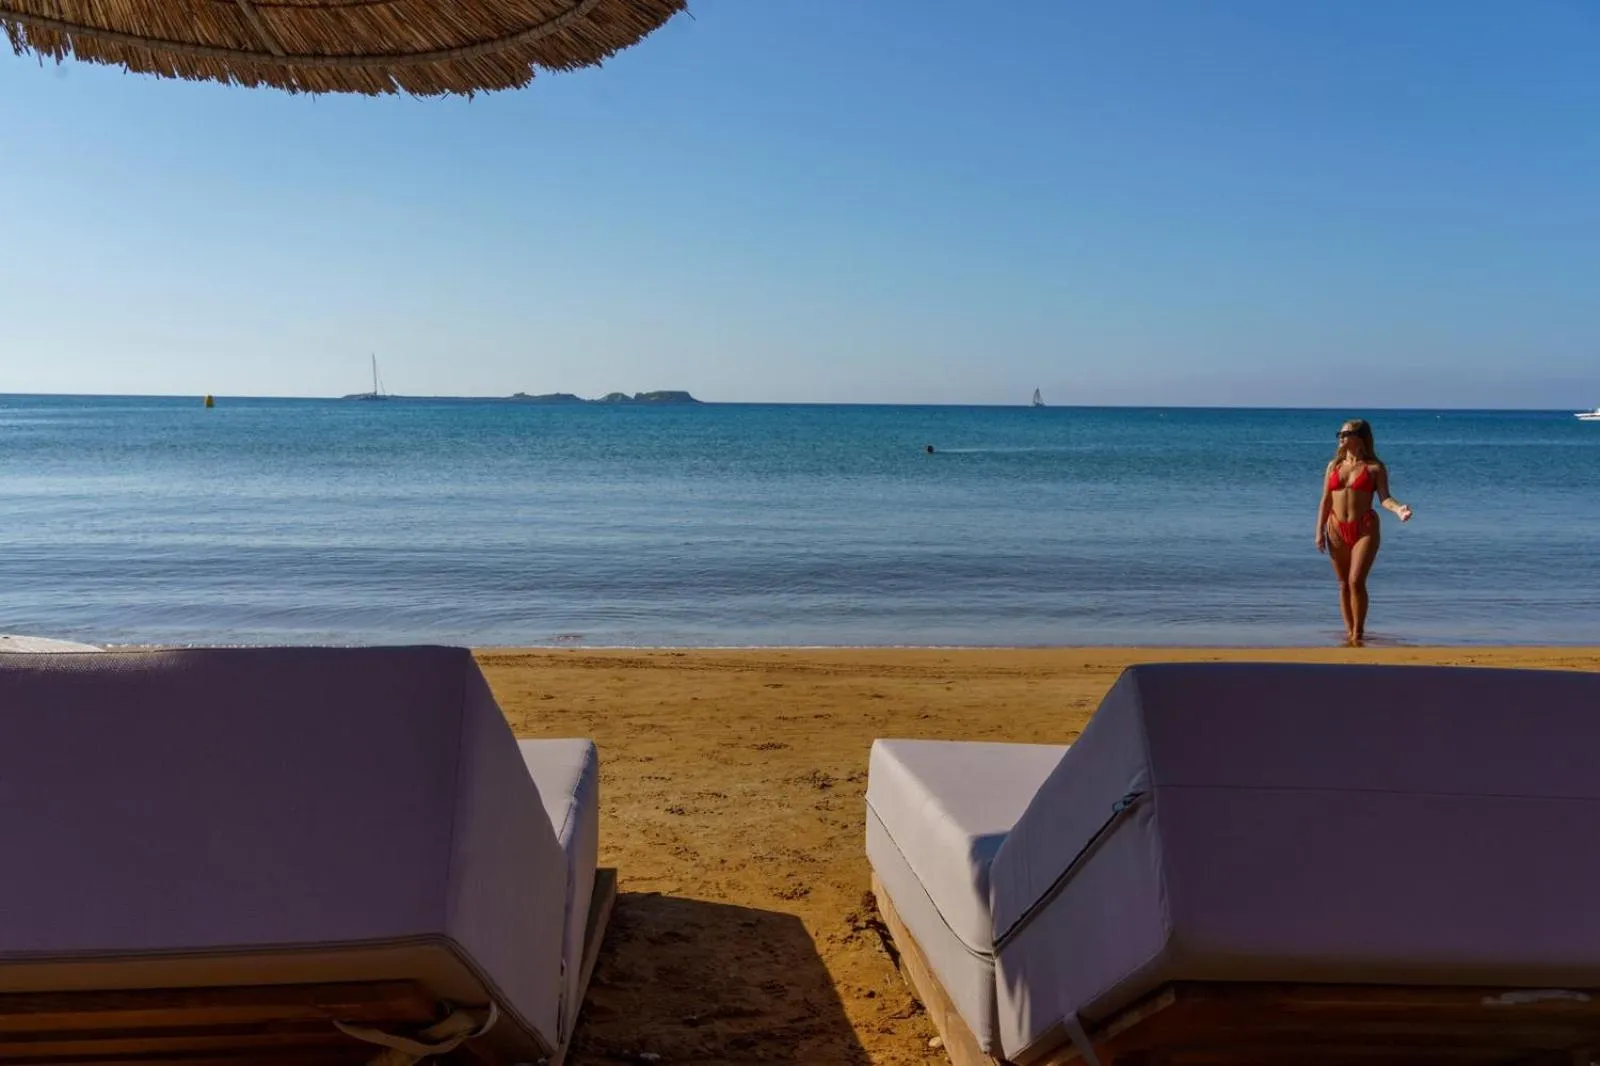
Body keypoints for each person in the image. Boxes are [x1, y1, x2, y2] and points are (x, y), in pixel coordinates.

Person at [1316, 419, 1412, 645]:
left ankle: (1358, 634)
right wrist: (1319, 530)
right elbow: (1326, 500)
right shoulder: (1333, 466)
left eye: (1345, 434)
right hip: (1335, 527)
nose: (1340, 437)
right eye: (1339, 434)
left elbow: (1385, 498)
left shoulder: (1374, 468)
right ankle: (1349, 633)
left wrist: (1399, 509)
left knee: (1356, 581)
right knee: (1343, 583)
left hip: (1364, 528)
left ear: (1359, 437)